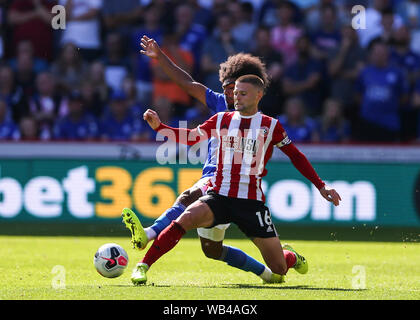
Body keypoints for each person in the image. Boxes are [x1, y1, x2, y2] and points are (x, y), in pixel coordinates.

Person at [132, 74, 341, 285]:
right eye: (235, 93)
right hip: (219, 196)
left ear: (258, 95)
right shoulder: (222, 119)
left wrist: (321, 186)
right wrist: (160, 128)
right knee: (185, 219)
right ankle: (143, 266)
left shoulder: (270, 126)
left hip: (250, 204)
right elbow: (193, 136)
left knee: (279, 269)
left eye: (242, 93)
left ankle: (291, 257)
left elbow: (296, 156)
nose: (236, 98)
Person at [122, 35, 287, 285]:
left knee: (188, 197)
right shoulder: (220, 105)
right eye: (225, 85)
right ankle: (268, 274)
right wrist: (160, 57)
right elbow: (187, 83)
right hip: (214, 183)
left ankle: (148, 234)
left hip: (230, 184)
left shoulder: (260, 122)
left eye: (232, 86)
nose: (226, 90)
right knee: (212, 250)